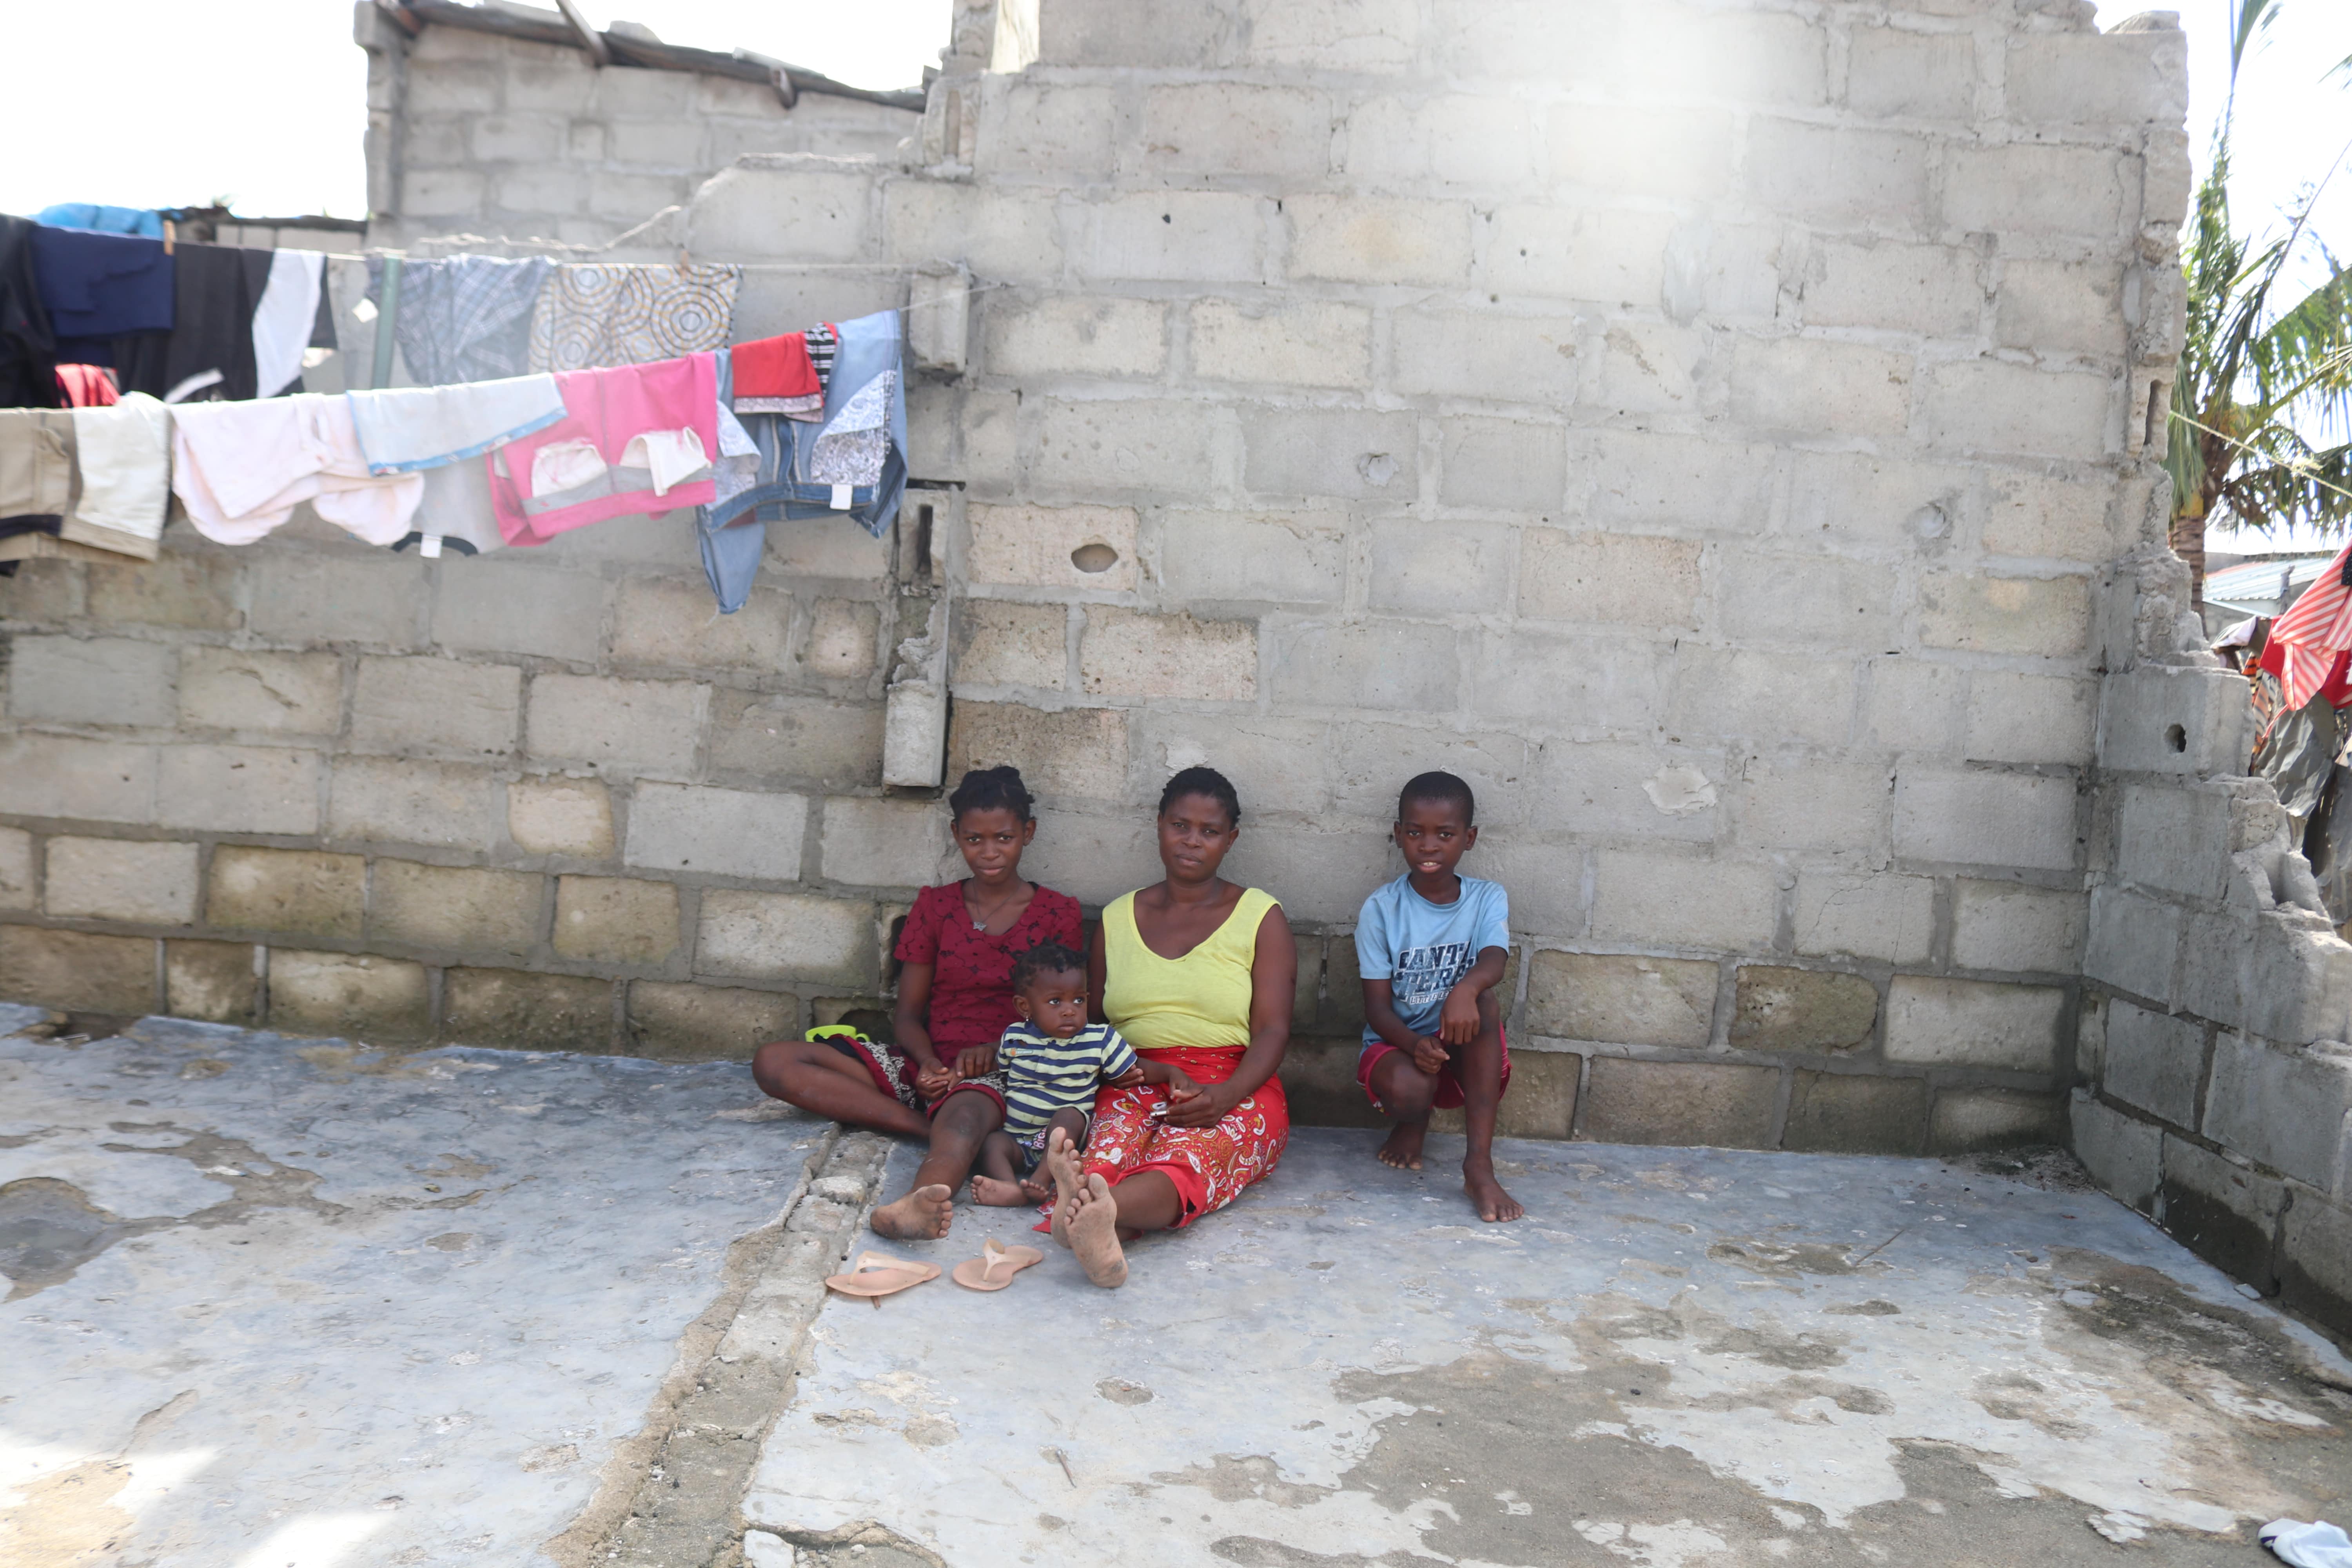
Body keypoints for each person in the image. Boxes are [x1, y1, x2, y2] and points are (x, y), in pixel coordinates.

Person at [748, 766, 1083, 1240]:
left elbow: (1064, 1015)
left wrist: (995, 1047)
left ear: (1027, 833)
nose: (989, 852)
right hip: (926, 1065)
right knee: (776, 1061)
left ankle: (919, 1201)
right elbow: (906, 1014)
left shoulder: (1056, 913)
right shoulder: (937, 907)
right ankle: (932, 1131)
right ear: (956, 836)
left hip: (1006, 1073)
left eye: (1004, 838)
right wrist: (926, 1063)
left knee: (964, 1113)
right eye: (974, 839)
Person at [1045, 766, 1296, 1288]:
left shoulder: (1260, 916)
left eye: (1209, 832)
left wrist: (1228, 1095)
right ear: (1159, 826)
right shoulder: (1116, 919)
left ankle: (1095, 1215)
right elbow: (1094, 1028)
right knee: (1105, 1156)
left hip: (1234, 1081)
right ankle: (1094, 1207)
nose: (1192, 842)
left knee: (1190, 1159)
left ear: (1231, 839)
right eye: (1180, 826)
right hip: (1133, 1076)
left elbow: (1272, 1030)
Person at [1355, 770, 1522, 1223]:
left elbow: (1495, 958)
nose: (1428, 845)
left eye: (1444, 834)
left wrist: (1466, 988)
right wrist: (1413, 1044)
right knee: (1411, 1089)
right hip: (1399, 1048)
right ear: (1398, 836)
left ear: (1468, 839)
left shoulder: (1487, 898)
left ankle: (1478, 1165)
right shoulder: (1381, 909)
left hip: (1462, 1046)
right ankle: (1413, 1120)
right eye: (1415, 833)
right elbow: (1377, 1009)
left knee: (1485, 1002)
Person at [969, 941, 1196, 1206]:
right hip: (1017, 1140)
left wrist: (1170, 1072)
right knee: (993, 1144)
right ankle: (1010, 1188)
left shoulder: (1099, 1039)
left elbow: (1135, 1068)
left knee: (1070, 1115)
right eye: (1055, 1001)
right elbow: (1005, 1078)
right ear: (1025, 1007)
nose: (1070, 1010)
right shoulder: (1014, 1038)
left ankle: (1043, 1179)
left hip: (1065, 1142)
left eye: (1079, 1000)